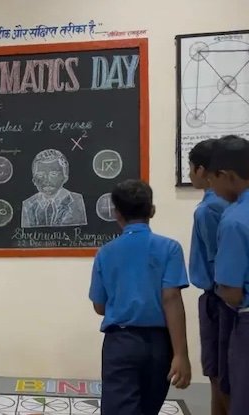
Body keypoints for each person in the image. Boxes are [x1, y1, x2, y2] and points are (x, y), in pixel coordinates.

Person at [88, 179, 191, 415]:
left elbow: (99, 306)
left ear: (116, 213)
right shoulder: (170, 248)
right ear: (152, 210)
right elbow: (172, 299)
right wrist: (181, 354)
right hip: (159, 345)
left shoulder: (105, 253)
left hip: (121, 343)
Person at [188, 139, 232, 415]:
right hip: (227, 298)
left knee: (218, 375)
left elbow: (218, 262)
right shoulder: (232, 203)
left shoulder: (208, 209)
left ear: (202, 170)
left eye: (191, 168)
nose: (190, 174)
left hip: (219, 300)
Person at [208, 135, 249, 415]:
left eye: (213, 179)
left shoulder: (235, 220)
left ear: (227, 176)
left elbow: (232, 293)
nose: (212, 187)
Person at [21, 149, 87, 228]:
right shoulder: (28, 205)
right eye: (40, 175)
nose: (47, 180)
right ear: (34, 180)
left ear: (65, 177)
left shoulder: (77, 200)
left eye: (53, 174)